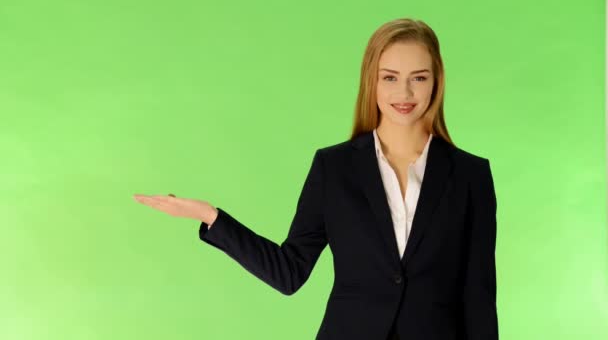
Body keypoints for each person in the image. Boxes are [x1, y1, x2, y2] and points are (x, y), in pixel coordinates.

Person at [134, 17, 498, 340]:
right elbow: (288, 272)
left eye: (418, 78)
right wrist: (211, 217)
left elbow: (478, 297)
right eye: (390, 78)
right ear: (371, 81)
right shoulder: (333, 168)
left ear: (436, 81)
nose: (404, 93)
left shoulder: (471, 176)